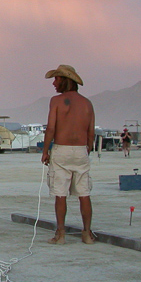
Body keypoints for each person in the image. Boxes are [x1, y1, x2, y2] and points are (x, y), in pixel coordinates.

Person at [41, 65, 96, 245]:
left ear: (65, 80)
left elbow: (51, 128)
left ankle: (61, 234)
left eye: (56, 79)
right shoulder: (87, 103)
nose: (54, 83)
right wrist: (87, 148)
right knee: (84, 193)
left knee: (60, 193)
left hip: (61, 150)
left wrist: (45, 151)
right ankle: (87, 233)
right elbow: (91, 132)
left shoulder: (56, 101)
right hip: (81, 150)